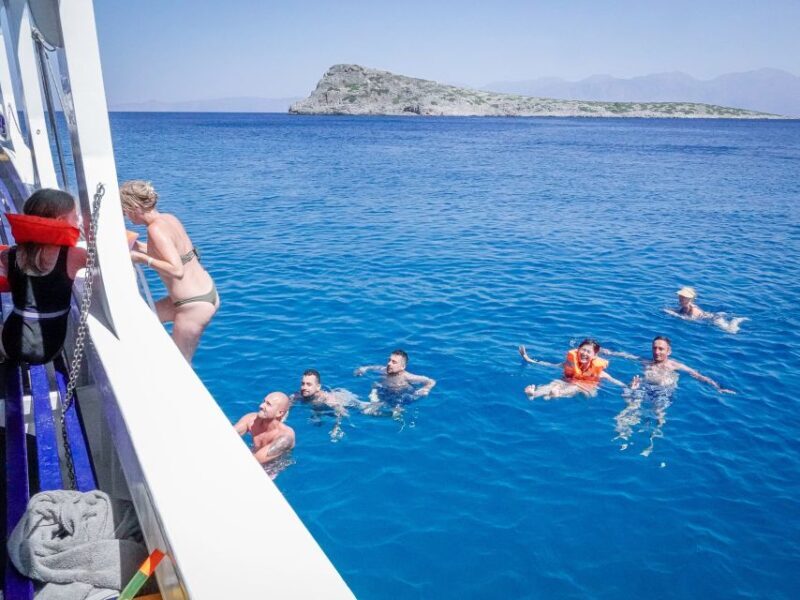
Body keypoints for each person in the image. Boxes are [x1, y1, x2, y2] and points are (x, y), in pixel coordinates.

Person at [119, 180, 219, 362]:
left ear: (135, 207)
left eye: (125, 210)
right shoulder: (168, 218)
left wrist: (142, 259)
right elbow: (167, 251)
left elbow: (176, 269)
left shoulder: (155, 229)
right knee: (141, 320)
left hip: (192, 306)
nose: (127, 216)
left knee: (180, 364)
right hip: (203, 293)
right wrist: (129, 244)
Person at [0, 189, 86, 364]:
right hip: (49, 349)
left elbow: (14, 283)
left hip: (12, 345)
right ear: (61, 222)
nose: (78, 222)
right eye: (75, 217)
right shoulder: (75, 256)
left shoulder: (8, 255)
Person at [602, 335, 735, 393]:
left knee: (658, 417)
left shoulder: (675, 365)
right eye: (654, 348)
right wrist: (609, 352)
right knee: (631, 406)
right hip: (644, 388)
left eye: (661, 349)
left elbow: (697, 375)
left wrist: (718, 387)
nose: (657, 351)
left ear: (669, 351)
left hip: (663, 392)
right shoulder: (646, 361)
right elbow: (627, 356)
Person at [519, 338, 627, 399]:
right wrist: (529, 359)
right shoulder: (568, 364)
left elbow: (614, 381)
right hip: (567, 381)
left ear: (595, 355)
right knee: (555, 383)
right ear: (578, 350)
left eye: (588, 352)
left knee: (576, 386)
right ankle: (534, 394)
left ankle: (557, 394)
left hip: (588, 389)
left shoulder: (600, 372)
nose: (584, 353)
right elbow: (549, 365)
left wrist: (628, 387)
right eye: (582, 350)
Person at [354, 349, 436, 416]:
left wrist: (426, 389)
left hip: (399, 397)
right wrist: (362, 369)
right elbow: (369, 367)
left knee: (395, 413)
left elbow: (431, 381)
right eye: (389, 360)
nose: (389, 363)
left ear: (402, 366)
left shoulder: (408, 376)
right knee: (374, 389)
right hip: (384, 392)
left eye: (394, 362)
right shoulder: (384, 370)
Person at [234, 392, 295, 465]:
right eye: (264, 402)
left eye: (268, 404)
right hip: (253, 456)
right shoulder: (251, 419)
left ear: (279, 413)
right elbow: (228, 436)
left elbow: (253, 462)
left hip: (270, 468)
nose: (261, 406)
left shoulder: (285, 438)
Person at [666, 286, 746, 334]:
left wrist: (675, 314)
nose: (680, 299)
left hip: (714, 319)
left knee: (731, 331)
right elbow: (681, 312)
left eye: (683, 297)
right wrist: (672, 311)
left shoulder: (693, 310)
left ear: (689, 299)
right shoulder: (684, 307)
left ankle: (735, 321)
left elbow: (690, 319)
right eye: (680, 297)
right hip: (710, 317)